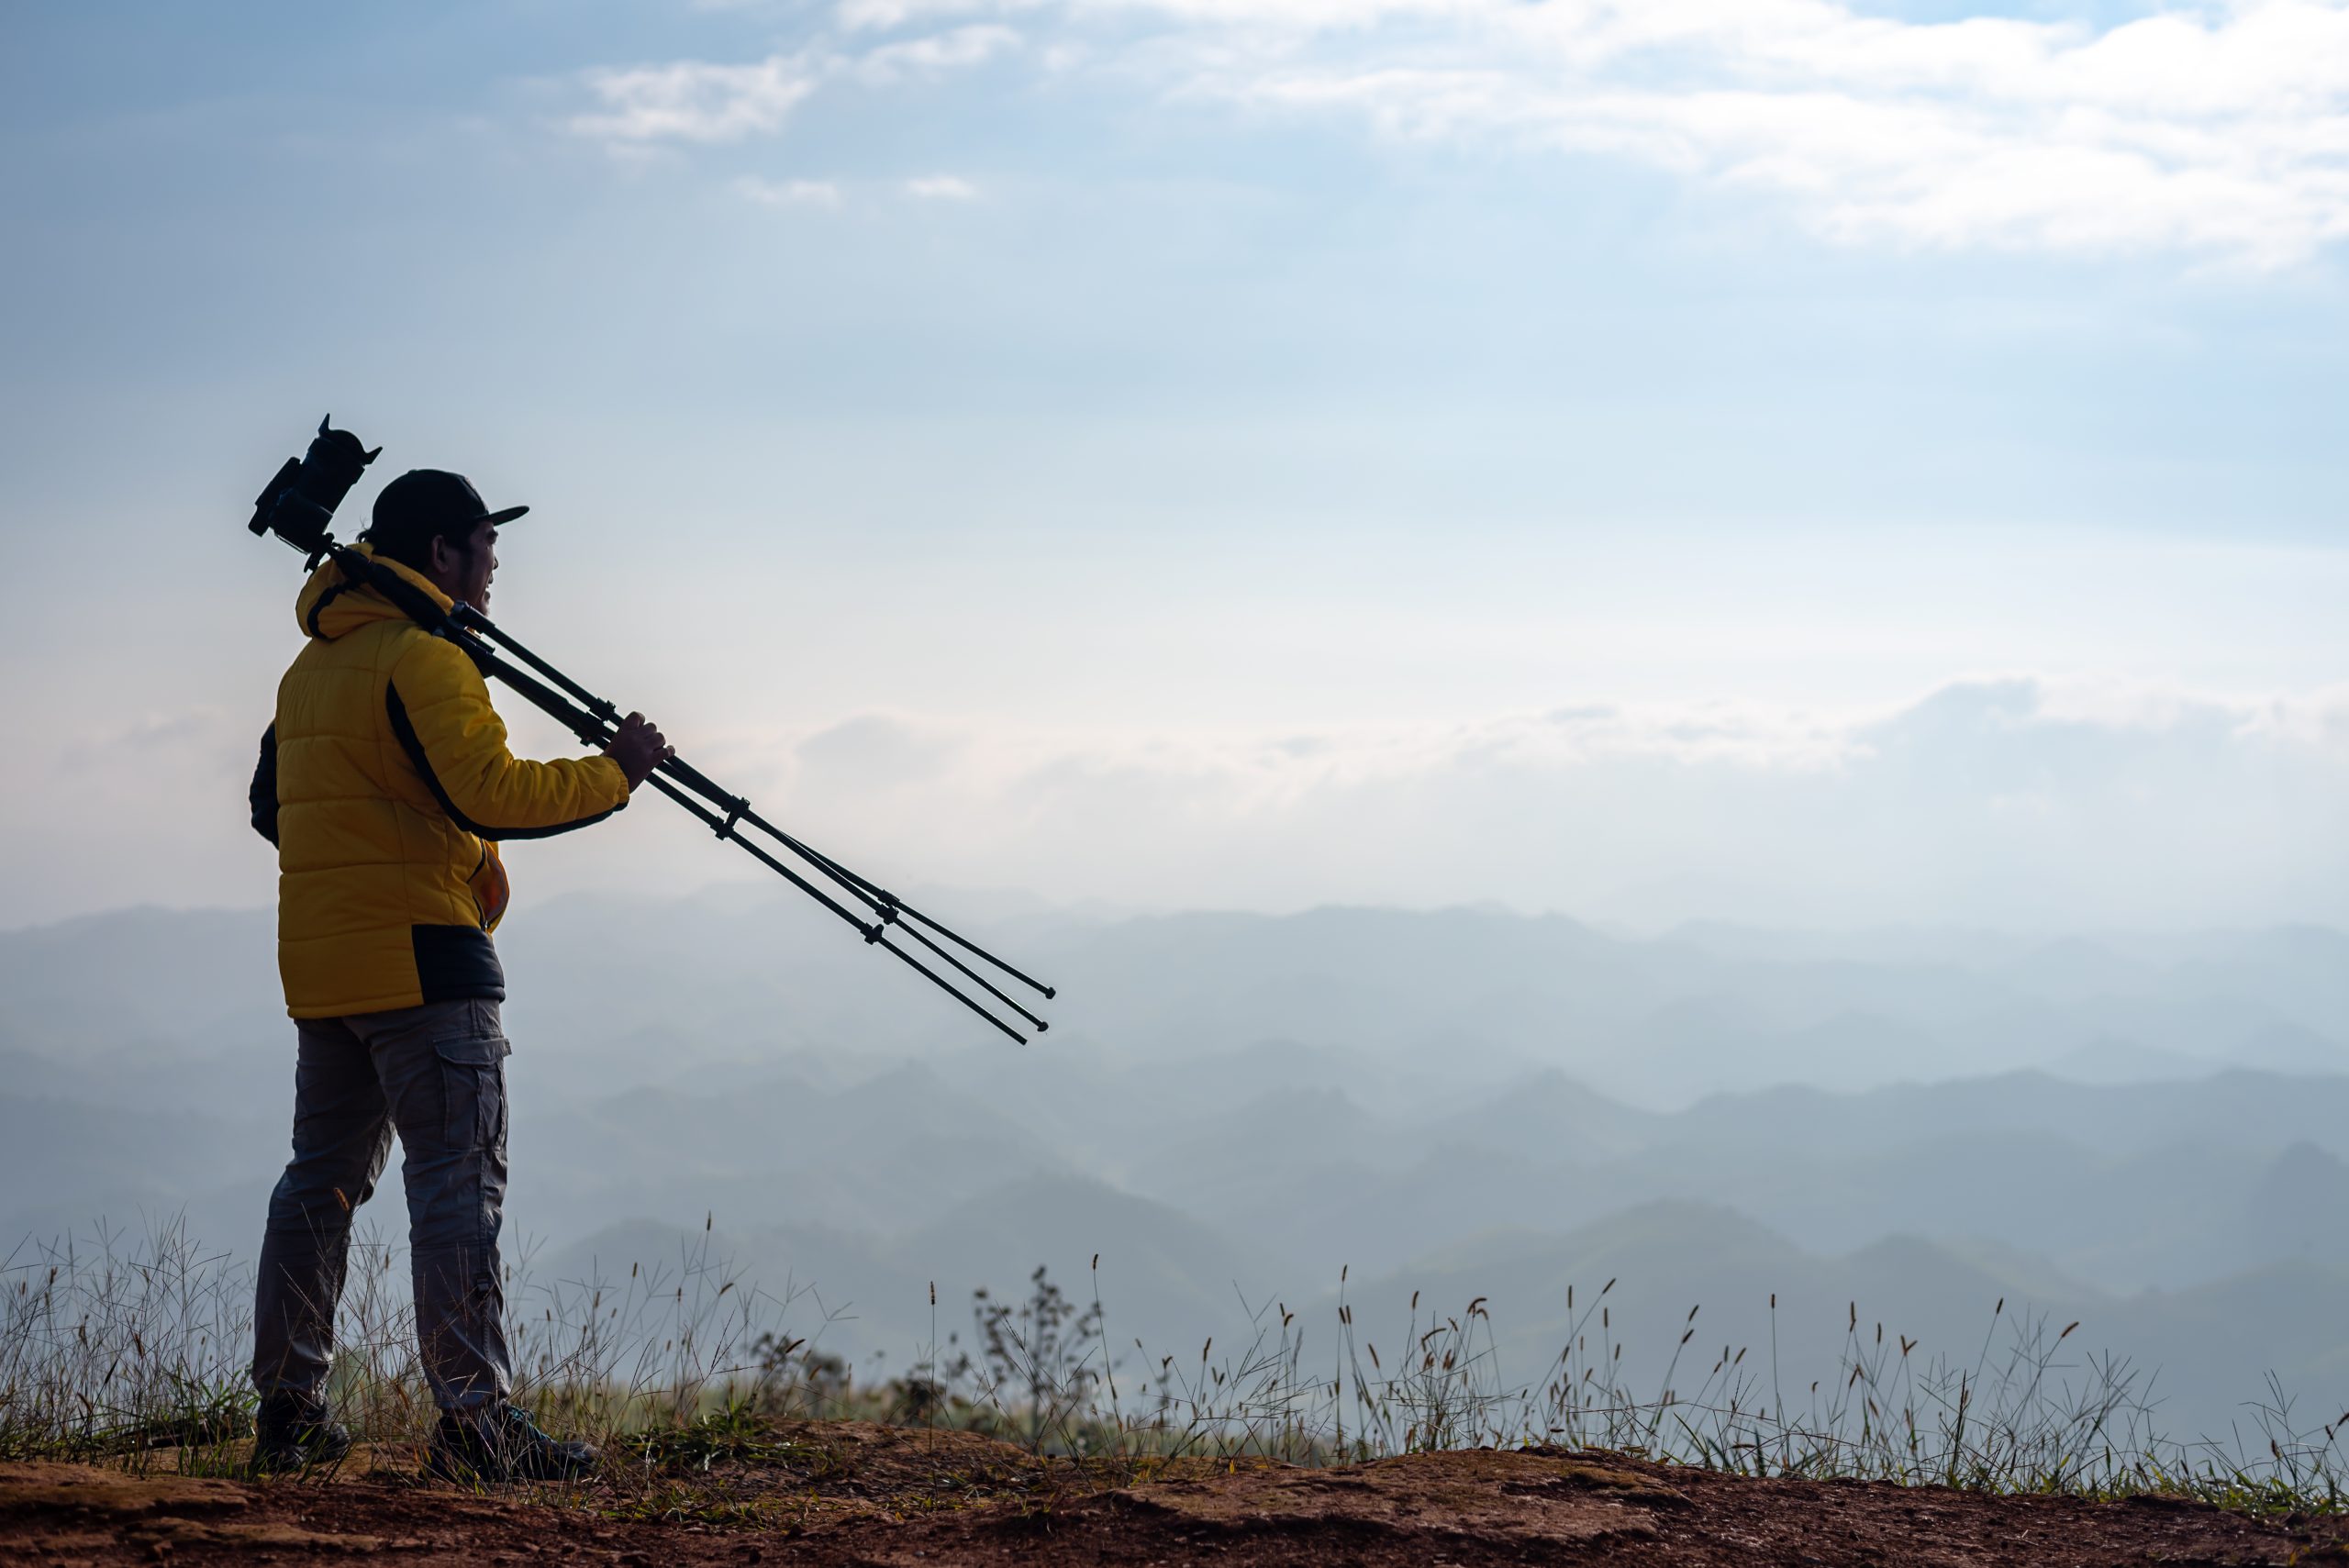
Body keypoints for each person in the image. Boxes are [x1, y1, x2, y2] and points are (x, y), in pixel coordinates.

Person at [244, 468, 670, 1480]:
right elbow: (494, 788)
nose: (492, 569)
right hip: (428, 967)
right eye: (484, 547)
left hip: (324, 969)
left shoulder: (312, 669)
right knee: (453, 1189)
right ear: (440, 552)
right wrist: (618, 771)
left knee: (319, 1185)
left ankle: (290, 1410)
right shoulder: (425, 658)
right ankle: (477, 1422)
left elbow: (274, 810)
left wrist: (391, 850)